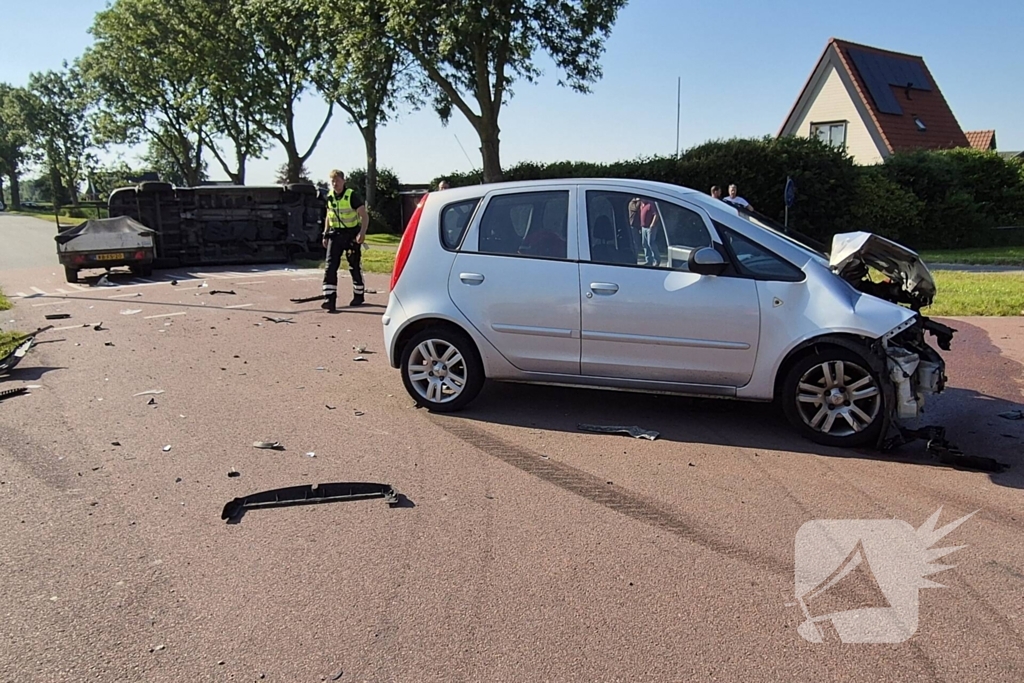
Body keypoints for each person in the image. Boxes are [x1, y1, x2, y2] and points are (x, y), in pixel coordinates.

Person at [321, 169, 369, 312]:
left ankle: (359, 294)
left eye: (337, 180)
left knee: (354, 266)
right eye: (333, 181)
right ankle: (329, 299)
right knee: (330, 266)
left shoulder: (351, 196)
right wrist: (325, 234)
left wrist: (362, 233)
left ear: (344, 181)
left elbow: (364, 216)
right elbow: (328, 216)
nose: (335, 184)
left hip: (351, 235)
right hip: (335, 235)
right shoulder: (329, 196)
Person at [639, 197, 660, 266]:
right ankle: (648, 260)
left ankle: (656, 260)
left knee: (650, 243)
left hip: (650, 227)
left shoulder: (650, 204)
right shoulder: (641, 205)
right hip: (643, 227)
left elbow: (656, 215)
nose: (641, 199)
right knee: (644, 244)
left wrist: (652, 224)